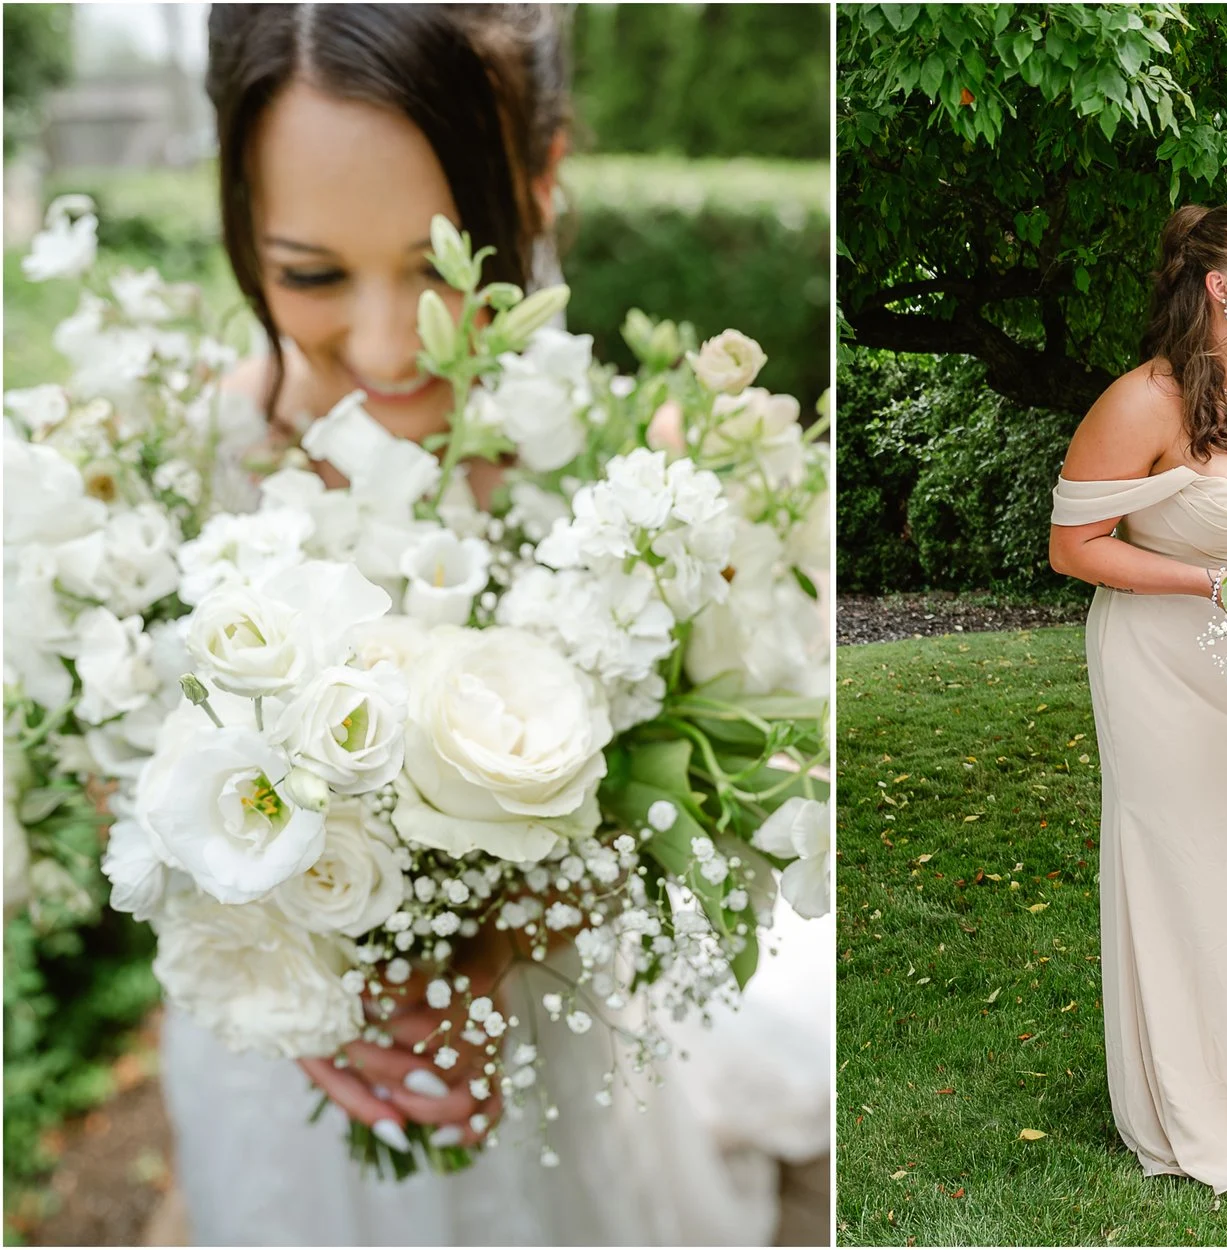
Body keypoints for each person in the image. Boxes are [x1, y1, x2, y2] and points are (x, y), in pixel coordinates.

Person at [157, 7, 817, 1242]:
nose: (385, 343)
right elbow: (113, 788)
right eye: (308, 271)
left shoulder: (637, 478)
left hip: (544, 1057)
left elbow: (690, 816)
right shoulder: (170, 468)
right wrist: (294, 966)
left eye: (443, 261)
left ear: (543, 175)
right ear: (240, 217)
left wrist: (491, 947)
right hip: (270, 1063)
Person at [1046, 203, 1227, 1193]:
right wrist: (1214, 585)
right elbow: (1074, 546)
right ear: (1223, 289)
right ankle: (1186, 1097)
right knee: (1181, 871)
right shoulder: (1142, 401)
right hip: (1162, 664)